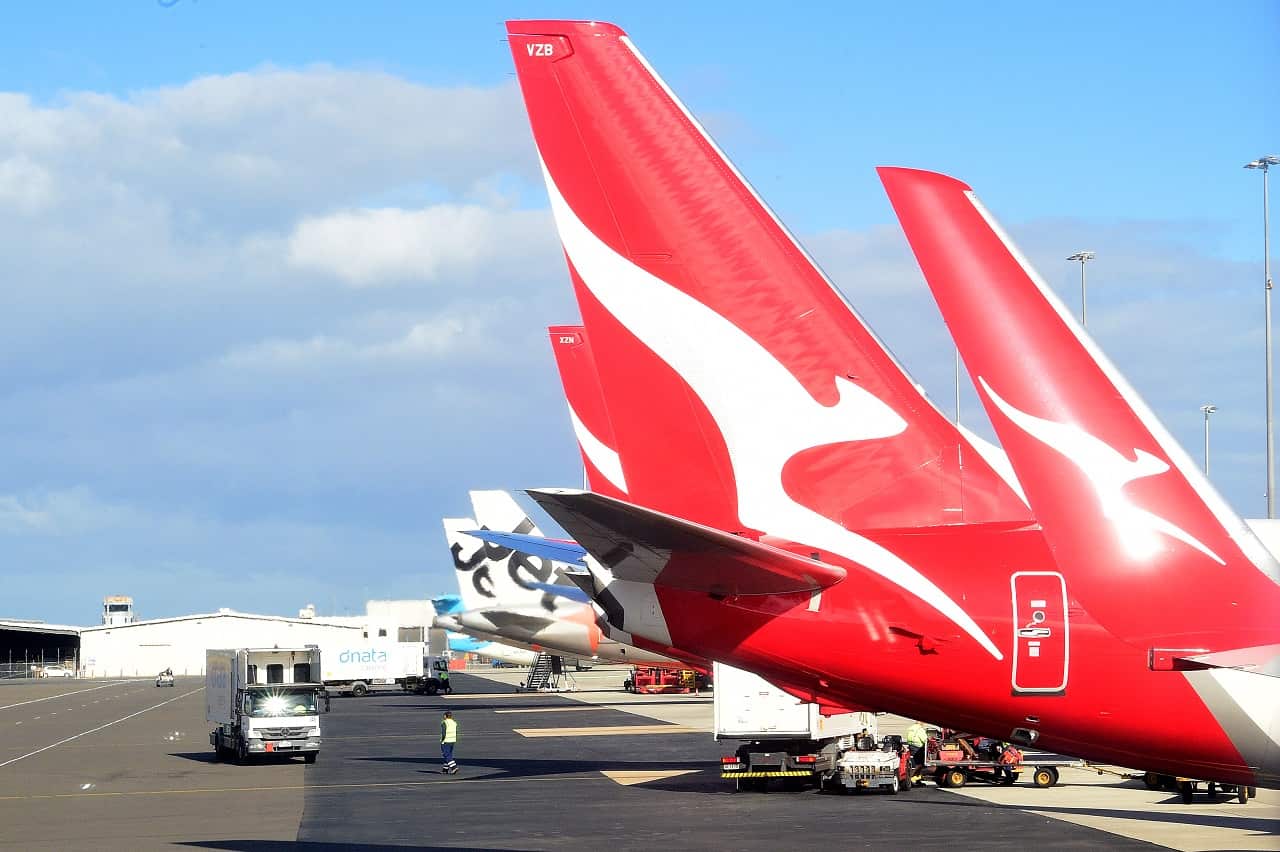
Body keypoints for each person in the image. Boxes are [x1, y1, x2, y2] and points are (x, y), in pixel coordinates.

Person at [440, 710, 459, 774]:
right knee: (449, 754)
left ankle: (454, 767)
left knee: (446, 754)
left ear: (445, 716)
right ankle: (445, 769)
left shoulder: (444, 722)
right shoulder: (454, 722)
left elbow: (443, 732)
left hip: (446, 741)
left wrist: (442, 740)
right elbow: (456, 731)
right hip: (453, 740)